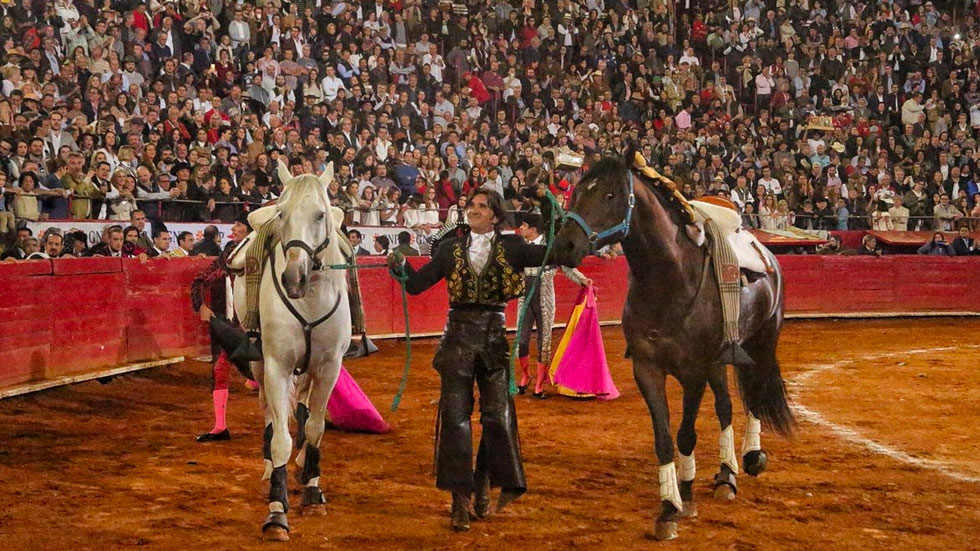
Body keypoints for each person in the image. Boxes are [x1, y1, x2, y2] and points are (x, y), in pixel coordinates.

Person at [386, 187, 547, 532]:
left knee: (496, 417)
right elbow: (416, 285)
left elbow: (558, 252)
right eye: (471, 205)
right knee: (455, 419)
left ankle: (483, 483)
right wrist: (399, 266)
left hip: (493, 338)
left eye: (481, 206)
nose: (472, 210)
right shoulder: (450, 248)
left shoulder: (514, 247)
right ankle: (460, 498)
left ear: (496, 215)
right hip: (457, 337)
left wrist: (551, 206)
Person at [189, 216, 256, 443]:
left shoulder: (261, 252)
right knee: (220, 370)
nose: (233, 228)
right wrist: (200, 305)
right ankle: (220, 427)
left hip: (262, 323)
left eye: (238, 225)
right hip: (235, 325)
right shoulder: (229, 252)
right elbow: (199, 280)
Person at [515, 214, 591, 399]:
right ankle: (526, 375)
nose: (520, 228)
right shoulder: (521, 247)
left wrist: (583, 280)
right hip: (525, 299)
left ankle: (539, 385)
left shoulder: (551, 247)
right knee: (521, 341)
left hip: (545, 300)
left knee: (544, 342)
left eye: (524, 225)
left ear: (533, 229)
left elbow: (566, 267)